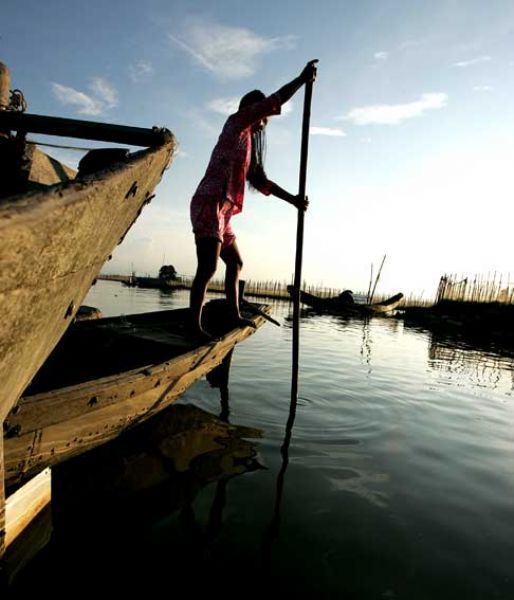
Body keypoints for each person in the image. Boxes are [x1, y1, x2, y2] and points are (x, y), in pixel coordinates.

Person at [189, 60, 318, 340]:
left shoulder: (246, 145)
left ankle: (233, 314)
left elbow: (261, 182)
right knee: (208, 266)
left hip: (223, 213)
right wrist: (300, 78)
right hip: (209, 202)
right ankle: (192, 326)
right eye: (263, 119)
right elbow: (275, 100)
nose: (263, 125)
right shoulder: (236, 124)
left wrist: (293, 200)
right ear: (253, 111)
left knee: (235, 263)